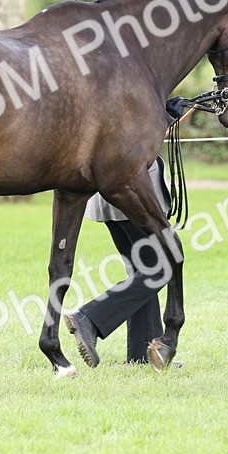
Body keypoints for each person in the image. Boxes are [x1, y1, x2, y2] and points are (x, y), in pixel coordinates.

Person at [64, 97, 188, 369]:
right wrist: (163, 116)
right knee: (162, 266)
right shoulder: (128, 83)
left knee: (142, 271)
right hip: (131, 191)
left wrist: (163, 112)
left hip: (107, 195)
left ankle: (140, 354)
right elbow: (130, 133)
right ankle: (89, 318)